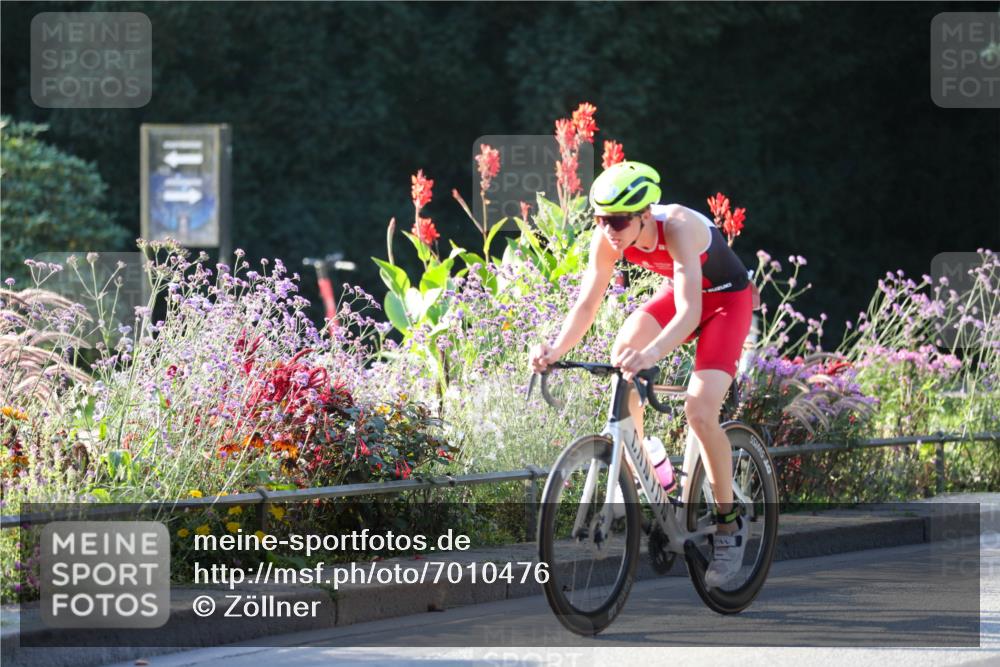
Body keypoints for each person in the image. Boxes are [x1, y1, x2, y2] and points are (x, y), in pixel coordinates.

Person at [529, 161, 754, 588]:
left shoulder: (681, 227)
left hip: (725, 302)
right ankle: (638, 468)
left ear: (644, 215)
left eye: (616, 220)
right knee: (621, 356)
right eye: (600, 219)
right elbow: (587, 303)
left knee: (700, 411)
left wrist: (650, 354)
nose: (608, 229)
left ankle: (728, 525)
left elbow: (690, 313)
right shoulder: (608, 238)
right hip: (682, 296)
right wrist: (554, 349)